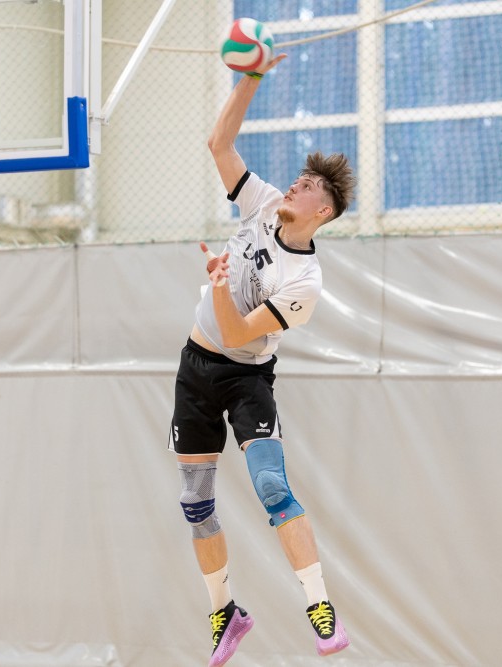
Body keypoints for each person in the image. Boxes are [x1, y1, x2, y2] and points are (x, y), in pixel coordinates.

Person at [169, 52, 356, 667]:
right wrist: (251, 76)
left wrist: (221, 282)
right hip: (194, 370)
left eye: (308, 186)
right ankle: (225, 612)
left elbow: (236, 333)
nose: (295, 185)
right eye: (298, 179)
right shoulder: (263, 203)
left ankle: (320, 607)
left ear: (323, 212)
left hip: (245, 377)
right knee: (196, 501)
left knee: (272, 486)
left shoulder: (304, 282)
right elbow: (219, 143)